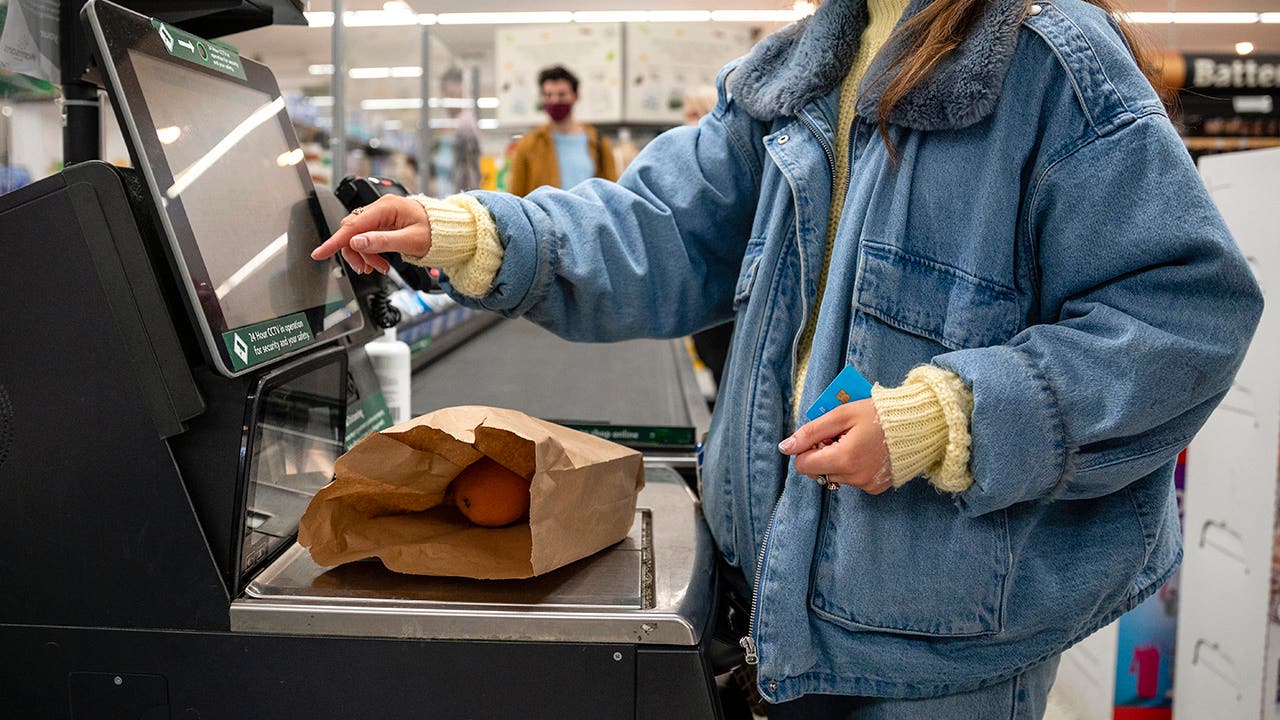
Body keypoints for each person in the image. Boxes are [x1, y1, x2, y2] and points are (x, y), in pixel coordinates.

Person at [313, 0, 1263, 716]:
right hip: (769, 594)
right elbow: (663, 226)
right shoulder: (802, 66)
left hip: (942, 647)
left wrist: (951, 418)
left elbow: (1181, 311)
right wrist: (463, 230)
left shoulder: (1047, 60)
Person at [504, 65, 617, 196]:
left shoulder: (598, 143)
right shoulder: (529, 145)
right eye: (548, 95)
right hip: (543, 216)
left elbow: (611, 192)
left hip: (587, 215)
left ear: (576, 96)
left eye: (561, 94)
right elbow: (516, 194)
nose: (555, 100)